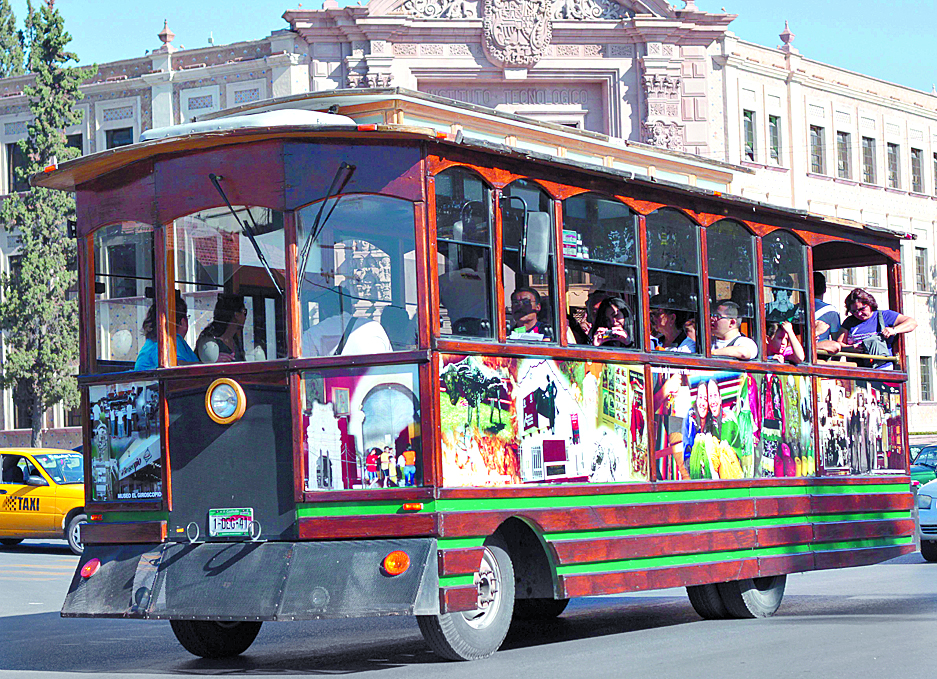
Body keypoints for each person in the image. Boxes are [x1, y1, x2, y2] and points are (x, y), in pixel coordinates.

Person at [827, 288, 917, 369]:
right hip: (858, 369)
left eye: (862, 309)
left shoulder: (884, 316)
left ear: (869, 304)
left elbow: (912, 323)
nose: (859, 314)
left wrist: (894, 330)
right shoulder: (849, 322)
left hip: (882, 368)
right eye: (854, 311)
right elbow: (839, 344)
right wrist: (851, 348)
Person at [302, 286, 392, 357]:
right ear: (352, 308)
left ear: (323, 311)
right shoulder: (374, 327)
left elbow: (306, 372)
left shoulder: (312, 334)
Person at [134, 291, 199, 370]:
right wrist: (209, 364)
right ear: (183, 322)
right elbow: (177, 366)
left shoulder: (150, 344)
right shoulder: (172, 340)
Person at [197, 294, 248, 363]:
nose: (245, 317)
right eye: (244, 312)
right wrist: (212, 361)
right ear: (236, 315)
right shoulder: (210, 341)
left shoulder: (236, 340)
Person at [813, 271, 841, 342]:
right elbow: (836, 338)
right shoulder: (831, 311)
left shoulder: (796, 309)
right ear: (824, 289)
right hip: (820, 350)